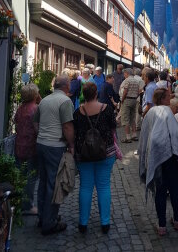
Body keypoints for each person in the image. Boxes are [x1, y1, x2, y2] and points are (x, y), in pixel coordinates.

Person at [138, 88, 178, 236]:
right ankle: (177, 221)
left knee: (160, 190)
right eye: (168, 96)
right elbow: (176, 135)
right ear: (162, 98)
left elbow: (145, 136)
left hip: (157, 155)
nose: (170, 98)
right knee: (173, 187)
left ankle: (161, 225)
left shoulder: (150, 113)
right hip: (172, 156)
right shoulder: (168, 112)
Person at [33, 75, 74, 235]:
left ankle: (43, 217)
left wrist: (41, 135)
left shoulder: (44, 100)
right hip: (55, 146)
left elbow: (35, 122)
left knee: (43, 182)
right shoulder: (65, 101)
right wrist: (71, 145)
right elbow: (67, 127)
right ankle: (49, 223)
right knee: (54, 184)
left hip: (41, 144)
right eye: (69, 84)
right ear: (66, 86)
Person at [73, 82, 116, 234]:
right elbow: (113, 128)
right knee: (104, 186)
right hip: (106, 153)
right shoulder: (107, 109)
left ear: (83, 95)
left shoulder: (78, 112)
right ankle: (105, 223)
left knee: (85, 187)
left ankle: (83, 223)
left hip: (83, 154)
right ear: (96, 93)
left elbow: (75, 132)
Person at [15, 83, 40, 214]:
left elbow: (16, 122)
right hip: (31, 146)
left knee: (21, 174)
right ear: (34, 95)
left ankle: (19, 202)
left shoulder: (20, 108)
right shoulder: (36, 109)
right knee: (31, 176)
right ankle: (28, 205)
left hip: (19, 145)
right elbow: (38, 128)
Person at [120, 68, 141, 143]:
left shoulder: (127, 80)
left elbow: (125, 91)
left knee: (126, 119)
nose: (124, 75)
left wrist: (122, 100)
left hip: (127, 100)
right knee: (133, 118)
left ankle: (128, 137)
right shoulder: (136, 80)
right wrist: (135, 96)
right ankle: (134, 135)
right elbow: (139, 91)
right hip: (134, 100)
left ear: (127, 73)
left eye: (124, 73)